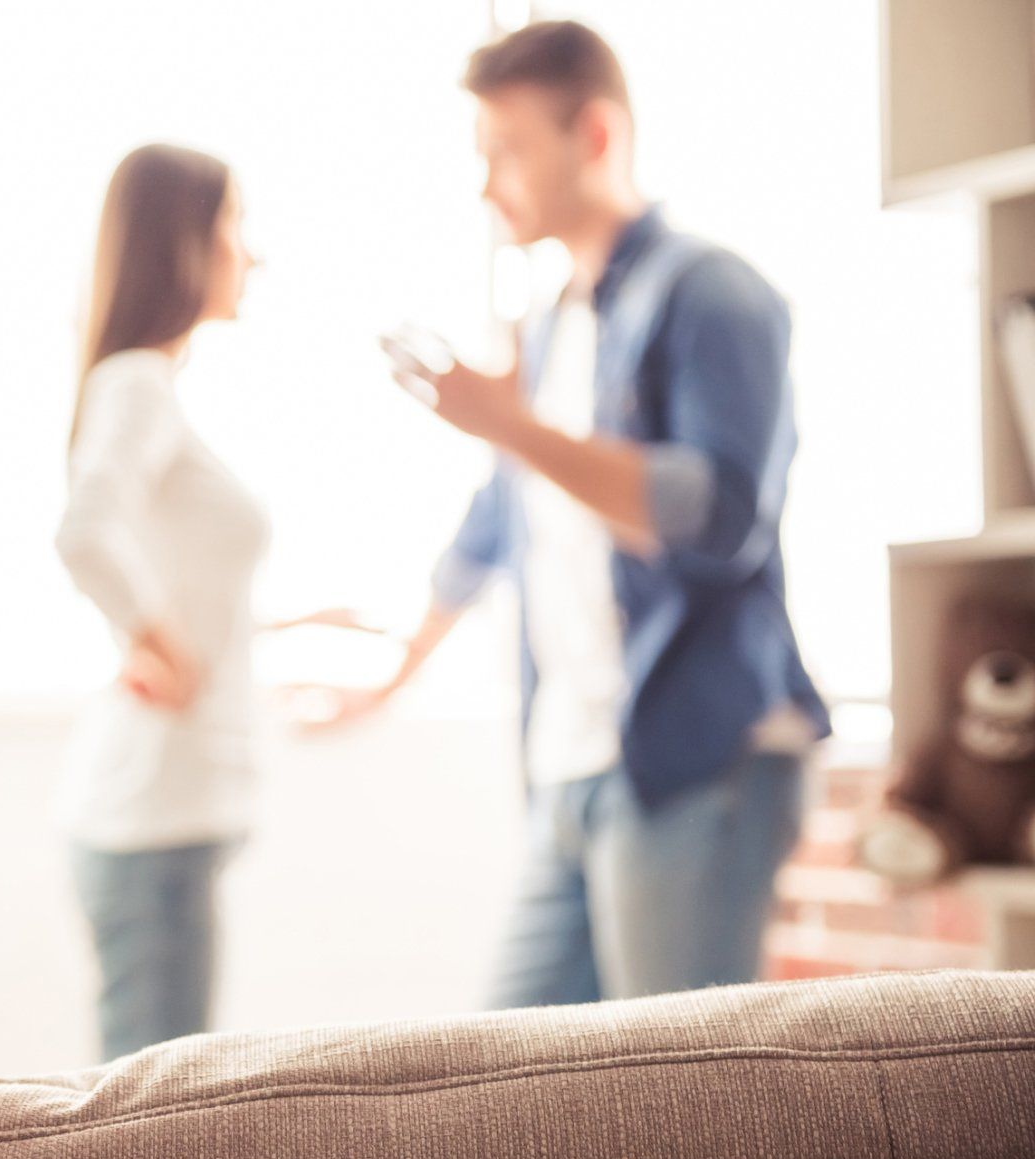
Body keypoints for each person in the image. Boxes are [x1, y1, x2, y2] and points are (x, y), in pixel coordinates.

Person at [323, 21, 831, 1006]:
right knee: (508, 1082)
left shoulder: (712, 293)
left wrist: (513, 428)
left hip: (694, 755)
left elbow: (720, 519)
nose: (486, 186)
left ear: (593, 134)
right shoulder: (555, 319)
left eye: (507, 151)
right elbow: (498, 522)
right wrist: (391, 677)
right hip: (571, 757)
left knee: (684, 1106)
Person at [54, 143, 270, 1061]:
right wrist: (159, 648)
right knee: (156, 1126)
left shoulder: (152, 391)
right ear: (185, 243)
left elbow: (165, 573)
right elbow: (84, 533)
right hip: (152, 823)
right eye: (235, 226)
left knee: (163, 1102)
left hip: (170, 820)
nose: (251, 253)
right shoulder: (137, 384)